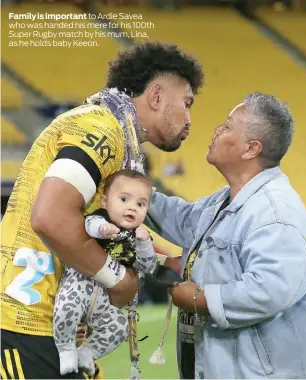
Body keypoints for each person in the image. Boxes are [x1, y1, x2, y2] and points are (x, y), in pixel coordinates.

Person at [0, 41, 203, 379]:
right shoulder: (101, 128)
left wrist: (175, 260)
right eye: (186, 103)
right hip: (25, 322)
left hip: (52, 326)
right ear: (156, 97)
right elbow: (50, 217)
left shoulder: (117, 137)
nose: (189, 119)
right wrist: (117, 277)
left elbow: (113, 224)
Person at [146, 92, 306, 379]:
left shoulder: (276, 212)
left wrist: (200, 298)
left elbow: (269, 290)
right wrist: (130, 194)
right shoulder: (224, 200)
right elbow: (182, 219)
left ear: (251, 149)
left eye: (227, 126)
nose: (216, 130)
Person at [54, 170, 157, 377]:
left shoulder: (136, 236)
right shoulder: (100, 218)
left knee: (119, 326)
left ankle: (87, 353)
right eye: (124, 199)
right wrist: (104, 229)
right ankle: (65, 349)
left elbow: (149, 267)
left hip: (103, 299)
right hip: (79, 284)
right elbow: (90, 226)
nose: (131, 207)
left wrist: (145, 244)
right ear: (104, 201)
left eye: (140, 204)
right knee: (67, 306)